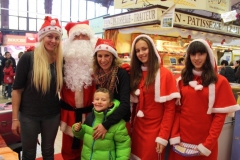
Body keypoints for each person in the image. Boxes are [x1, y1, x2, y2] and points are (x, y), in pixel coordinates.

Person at [169, 39, 240, 160]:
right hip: (181, 141)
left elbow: (219, 117)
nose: (196, 58)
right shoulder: (181, 80)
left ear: (208, 55)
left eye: (201, 53)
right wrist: (175, 135)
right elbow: (177, 111)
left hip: (205, 142)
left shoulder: (220, 81)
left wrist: (208, 144)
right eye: (193, 54)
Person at [11, 16, 63, 160]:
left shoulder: (60, 61)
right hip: (28, 115)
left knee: (48, 151)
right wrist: (15, 118)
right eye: (50, 36)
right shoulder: (28, 58)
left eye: (57, 38)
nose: (53, 41)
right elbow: (17, 90)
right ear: (42, 37)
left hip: (52, 115)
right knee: (29, 153)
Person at [129, 34, 180, 160]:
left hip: (155, 130)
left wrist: (163, 136)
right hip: (138, 128)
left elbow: (169, 110)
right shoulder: (136, 73)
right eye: (137, 50)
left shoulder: (165, 74)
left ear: (152, 49)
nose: (141, 53)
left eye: (144, 49)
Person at [60, 20, 96, 160]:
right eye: (77, 35)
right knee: (69, 151)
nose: (80, 39)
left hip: (91, 116)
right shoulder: (62, 61)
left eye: (84, 35)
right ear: (70, 40)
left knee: (90, 151)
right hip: (69, 115)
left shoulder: (98, 60)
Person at [72, 88, 131, 160]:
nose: (99, 102)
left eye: (103, 100)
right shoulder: (90, 117)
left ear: (110, 104)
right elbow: (85, 136)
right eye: (97, 99)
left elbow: (123, 146)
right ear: (93, 101)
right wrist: (78, 130)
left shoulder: (117, 123)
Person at [93, 38, 131, 139]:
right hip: (101, 120)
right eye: (99, 56)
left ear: (113, 57)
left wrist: (106, 124)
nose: (103, 60)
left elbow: (125, 104)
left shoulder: (121, 74)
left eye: (107, 55)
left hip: (118, 122)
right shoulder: (97, 75)